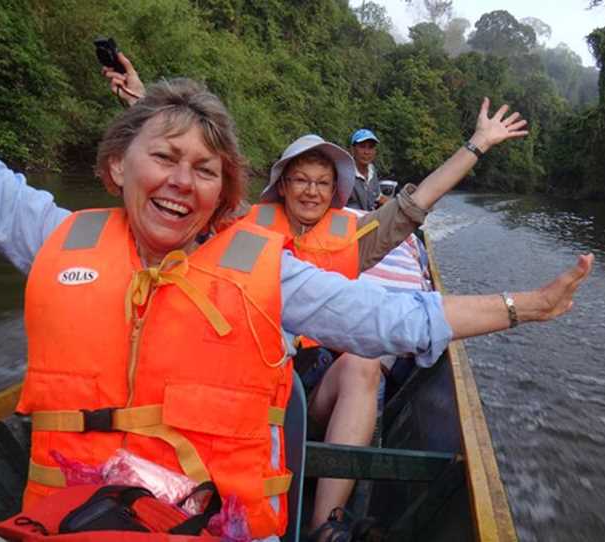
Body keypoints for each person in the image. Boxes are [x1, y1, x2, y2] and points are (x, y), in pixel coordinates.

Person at [0, 80, 592, 542]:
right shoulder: (59, 241)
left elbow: (387, 316)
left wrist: (522, 306)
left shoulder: (280, 264)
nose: (180, 180)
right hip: (68, 514)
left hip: (212, 512)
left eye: (203, 169)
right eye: (164, 158)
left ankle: (327, 522)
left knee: (364, 363)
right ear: (117, 166)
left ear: (221, 192)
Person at [103, 54, 532, 536]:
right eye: (301, 180)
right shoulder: (237, 225)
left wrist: (477, 145)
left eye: (323, 183)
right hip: (238, 379)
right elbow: (190, 174)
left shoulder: (353, 238)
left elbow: (416, 204)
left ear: (335, 192)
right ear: (282, 184)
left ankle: (324, 525)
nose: (311, 191)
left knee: (364, 363)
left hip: (311, 384)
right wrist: (143, 102)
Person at [347, 128, 380, 211]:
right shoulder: (345, 172)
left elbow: (378, 197)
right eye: (362, 147)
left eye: (371, 147)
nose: (367, 152)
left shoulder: (372, 170)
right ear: (353, 149)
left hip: (369, 220)